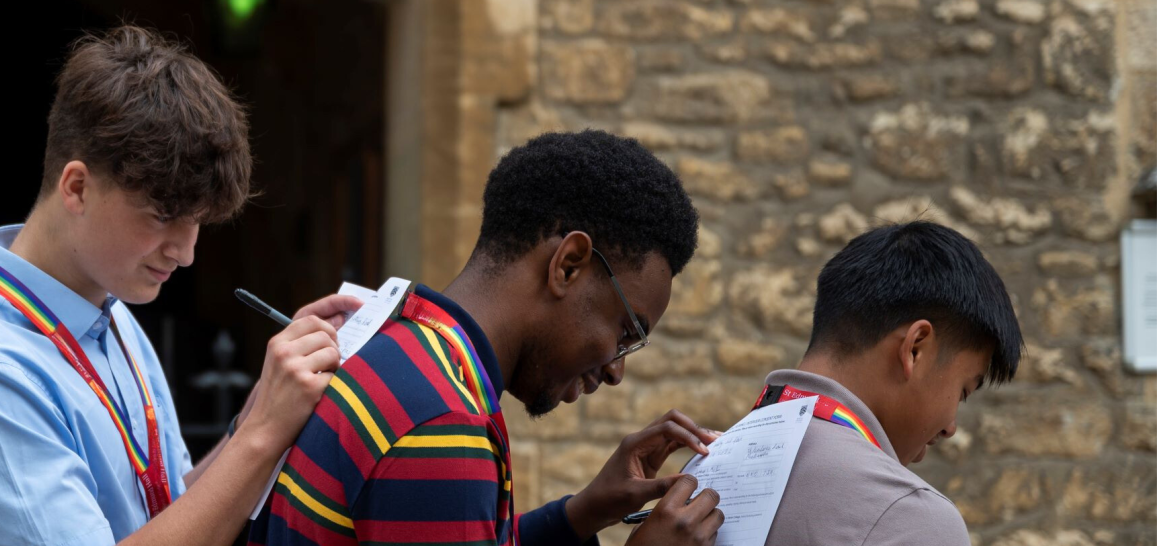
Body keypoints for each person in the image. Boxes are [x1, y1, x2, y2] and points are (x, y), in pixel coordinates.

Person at [0, 25, 364, 546]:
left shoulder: (109, 311)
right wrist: (262, 433)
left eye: (197, 222)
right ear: (77, 187)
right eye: (162, 216)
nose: (185, 253)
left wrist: (257, 411)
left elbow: (165, 518)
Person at [247, 130, 727, 546]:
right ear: (567, 265)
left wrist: (582, 513)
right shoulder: (442, 421)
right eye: (625, 332)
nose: (617, 370)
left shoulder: (400, 347)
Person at [754, 221, 1022, 546]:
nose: (950, 428)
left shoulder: (704, 473)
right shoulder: (910, 519)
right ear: (915, 349)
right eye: (963, 391)